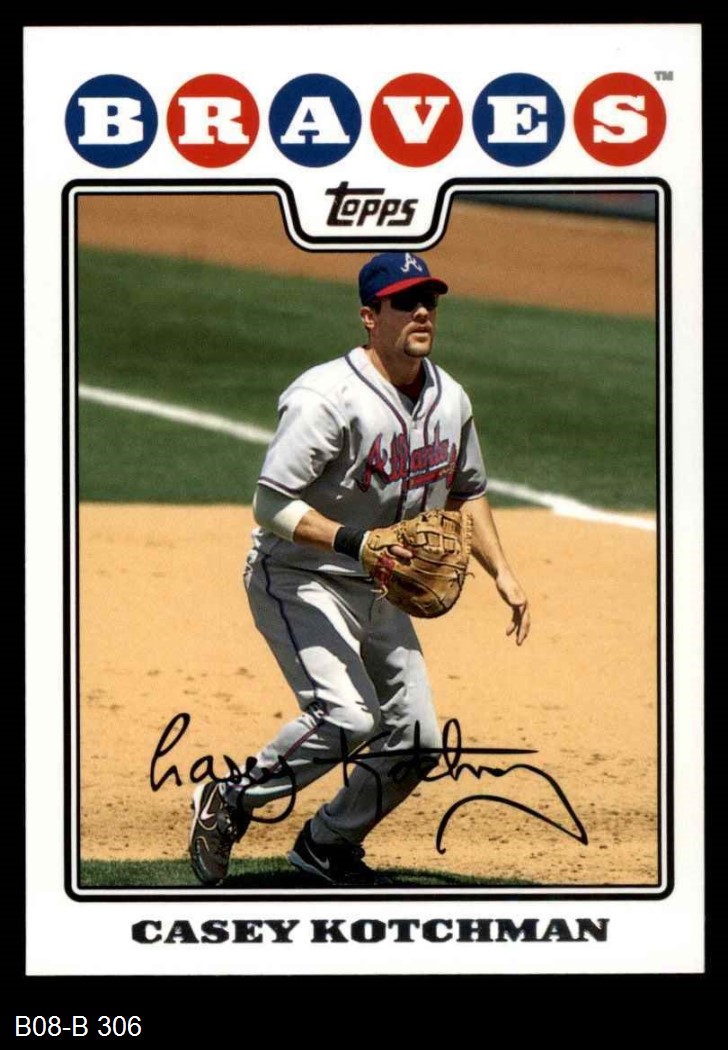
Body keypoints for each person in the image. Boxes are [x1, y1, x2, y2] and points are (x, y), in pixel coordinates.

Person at [189, 251, 530, 887]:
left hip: (380, 585)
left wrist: (502, 572)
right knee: (348, 718)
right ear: (370, 317)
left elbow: (467, 489)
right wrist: (356, 543)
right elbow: (270, 505)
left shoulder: (450, 398)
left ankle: (327, 844)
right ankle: (229, 799)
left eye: (429, 300)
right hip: (300, 577)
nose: (422, 312)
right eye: (405, 302)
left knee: (417, 741)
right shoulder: (326, 397)